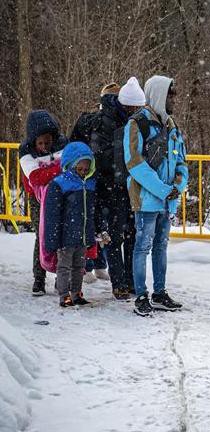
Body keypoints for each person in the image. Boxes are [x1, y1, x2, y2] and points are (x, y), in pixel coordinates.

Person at [71, 79, 146, 300]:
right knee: (128, 234)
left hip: (107, 185)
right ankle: (127, 282)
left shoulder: (95, 120)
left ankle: (121, 283)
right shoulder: (128, 121)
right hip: (124, 184)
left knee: (115, 236)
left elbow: (77, 146)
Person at [123, 75, 188, 316]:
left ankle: (159, 293)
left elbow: (181, 161)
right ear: (159, 94)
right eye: (170, 94)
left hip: (166, 200)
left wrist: (178, 187)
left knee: (161, 246)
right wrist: (164, 189)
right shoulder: (137, 123)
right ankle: (141, 295)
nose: (174, 99)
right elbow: (134, 163)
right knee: (142, 246)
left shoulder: (171, 125)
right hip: (148, 198)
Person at [44, 141, 104, 307]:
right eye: (80, 169)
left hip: (82, 235)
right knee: (63, 267)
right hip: (66, 235)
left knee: (79, 267)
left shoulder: (90, 185)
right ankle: (64, 295)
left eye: (86, 169)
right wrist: (53, 238)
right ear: (70, 165)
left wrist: (93, 233)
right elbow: (52, 215)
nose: (83, 172)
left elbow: (91, 212)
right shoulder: (59, 184)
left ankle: (76, 293)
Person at [18, 110, 67, 296]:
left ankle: (60, 276)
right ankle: (39, 278)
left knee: (61, 234)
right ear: (34, 141)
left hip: (60, 194)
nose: (45, 147)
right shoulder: (26, 151)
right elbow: (36, 177)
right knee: (42, 236)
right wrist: (57, 167)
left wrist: (50, 170)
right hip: (37, 198)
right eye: (41, 143)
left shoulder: (62, 143)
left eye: (48, 142)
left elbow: (68, 167)